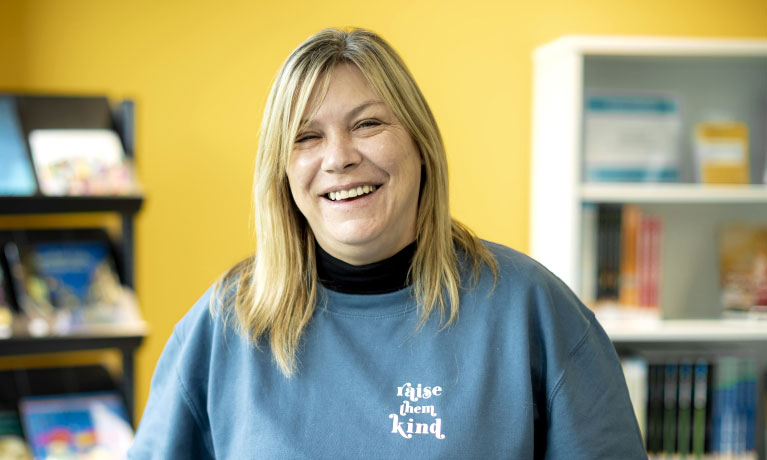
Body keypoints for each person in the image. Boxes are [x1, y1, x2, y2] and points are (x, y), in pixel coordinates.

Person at [129, 28, 646, 459]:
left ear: (420, 144)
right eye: (306, 137)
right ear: (282, 171)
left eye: (368, 123)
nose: (339, 157)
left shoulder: (533, 311)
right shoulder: (222, 328)